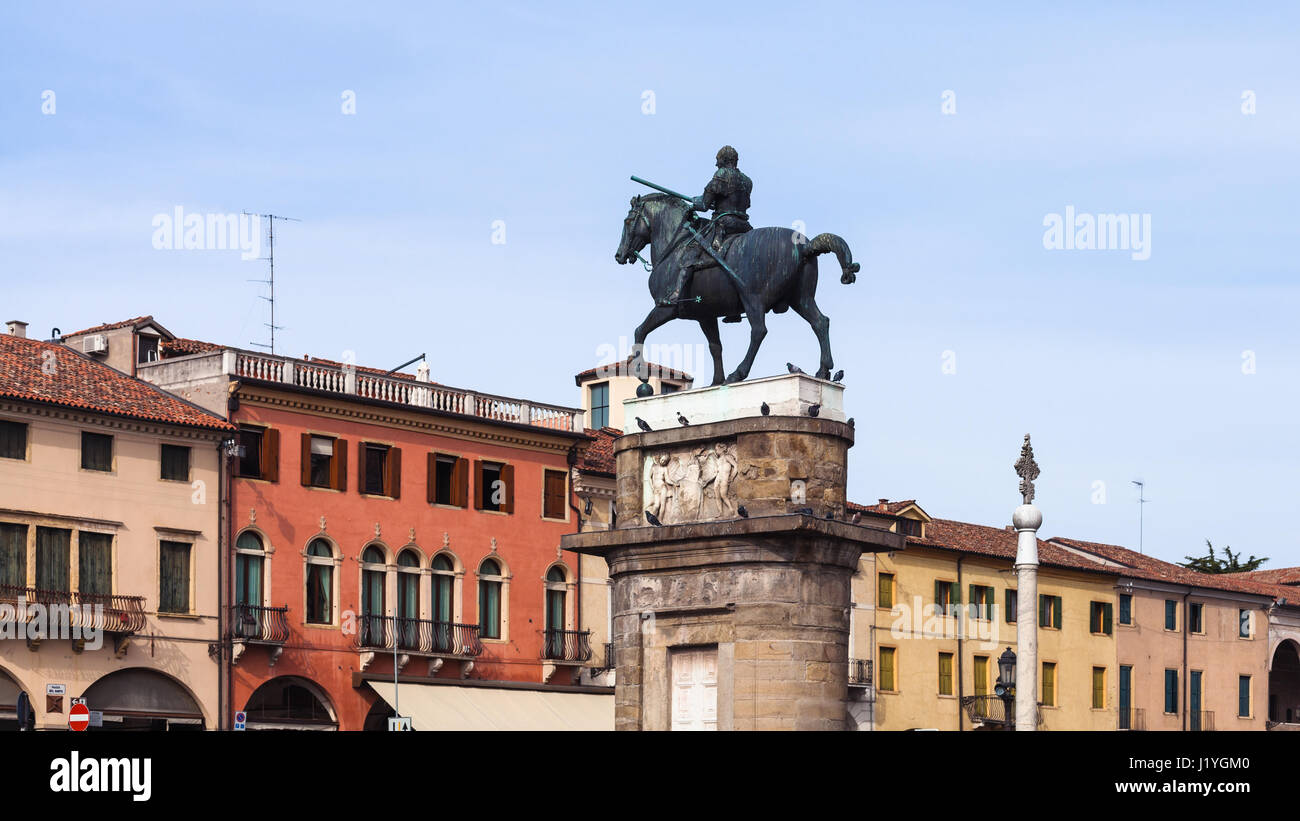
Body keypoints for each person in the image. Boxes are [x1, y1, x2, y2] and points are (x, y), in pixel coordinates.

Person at [659, 145, 753, 307]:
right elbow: (743, 204)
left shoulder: (721, 175)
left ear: (723, 161)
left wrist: (695, 203)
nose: (717, 165)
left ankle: (676, 294)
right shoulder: (747, 180)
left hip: (723, 224)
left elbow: (703, 204)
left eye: (718, 162)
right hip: (744, 225)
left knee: (690, 252)